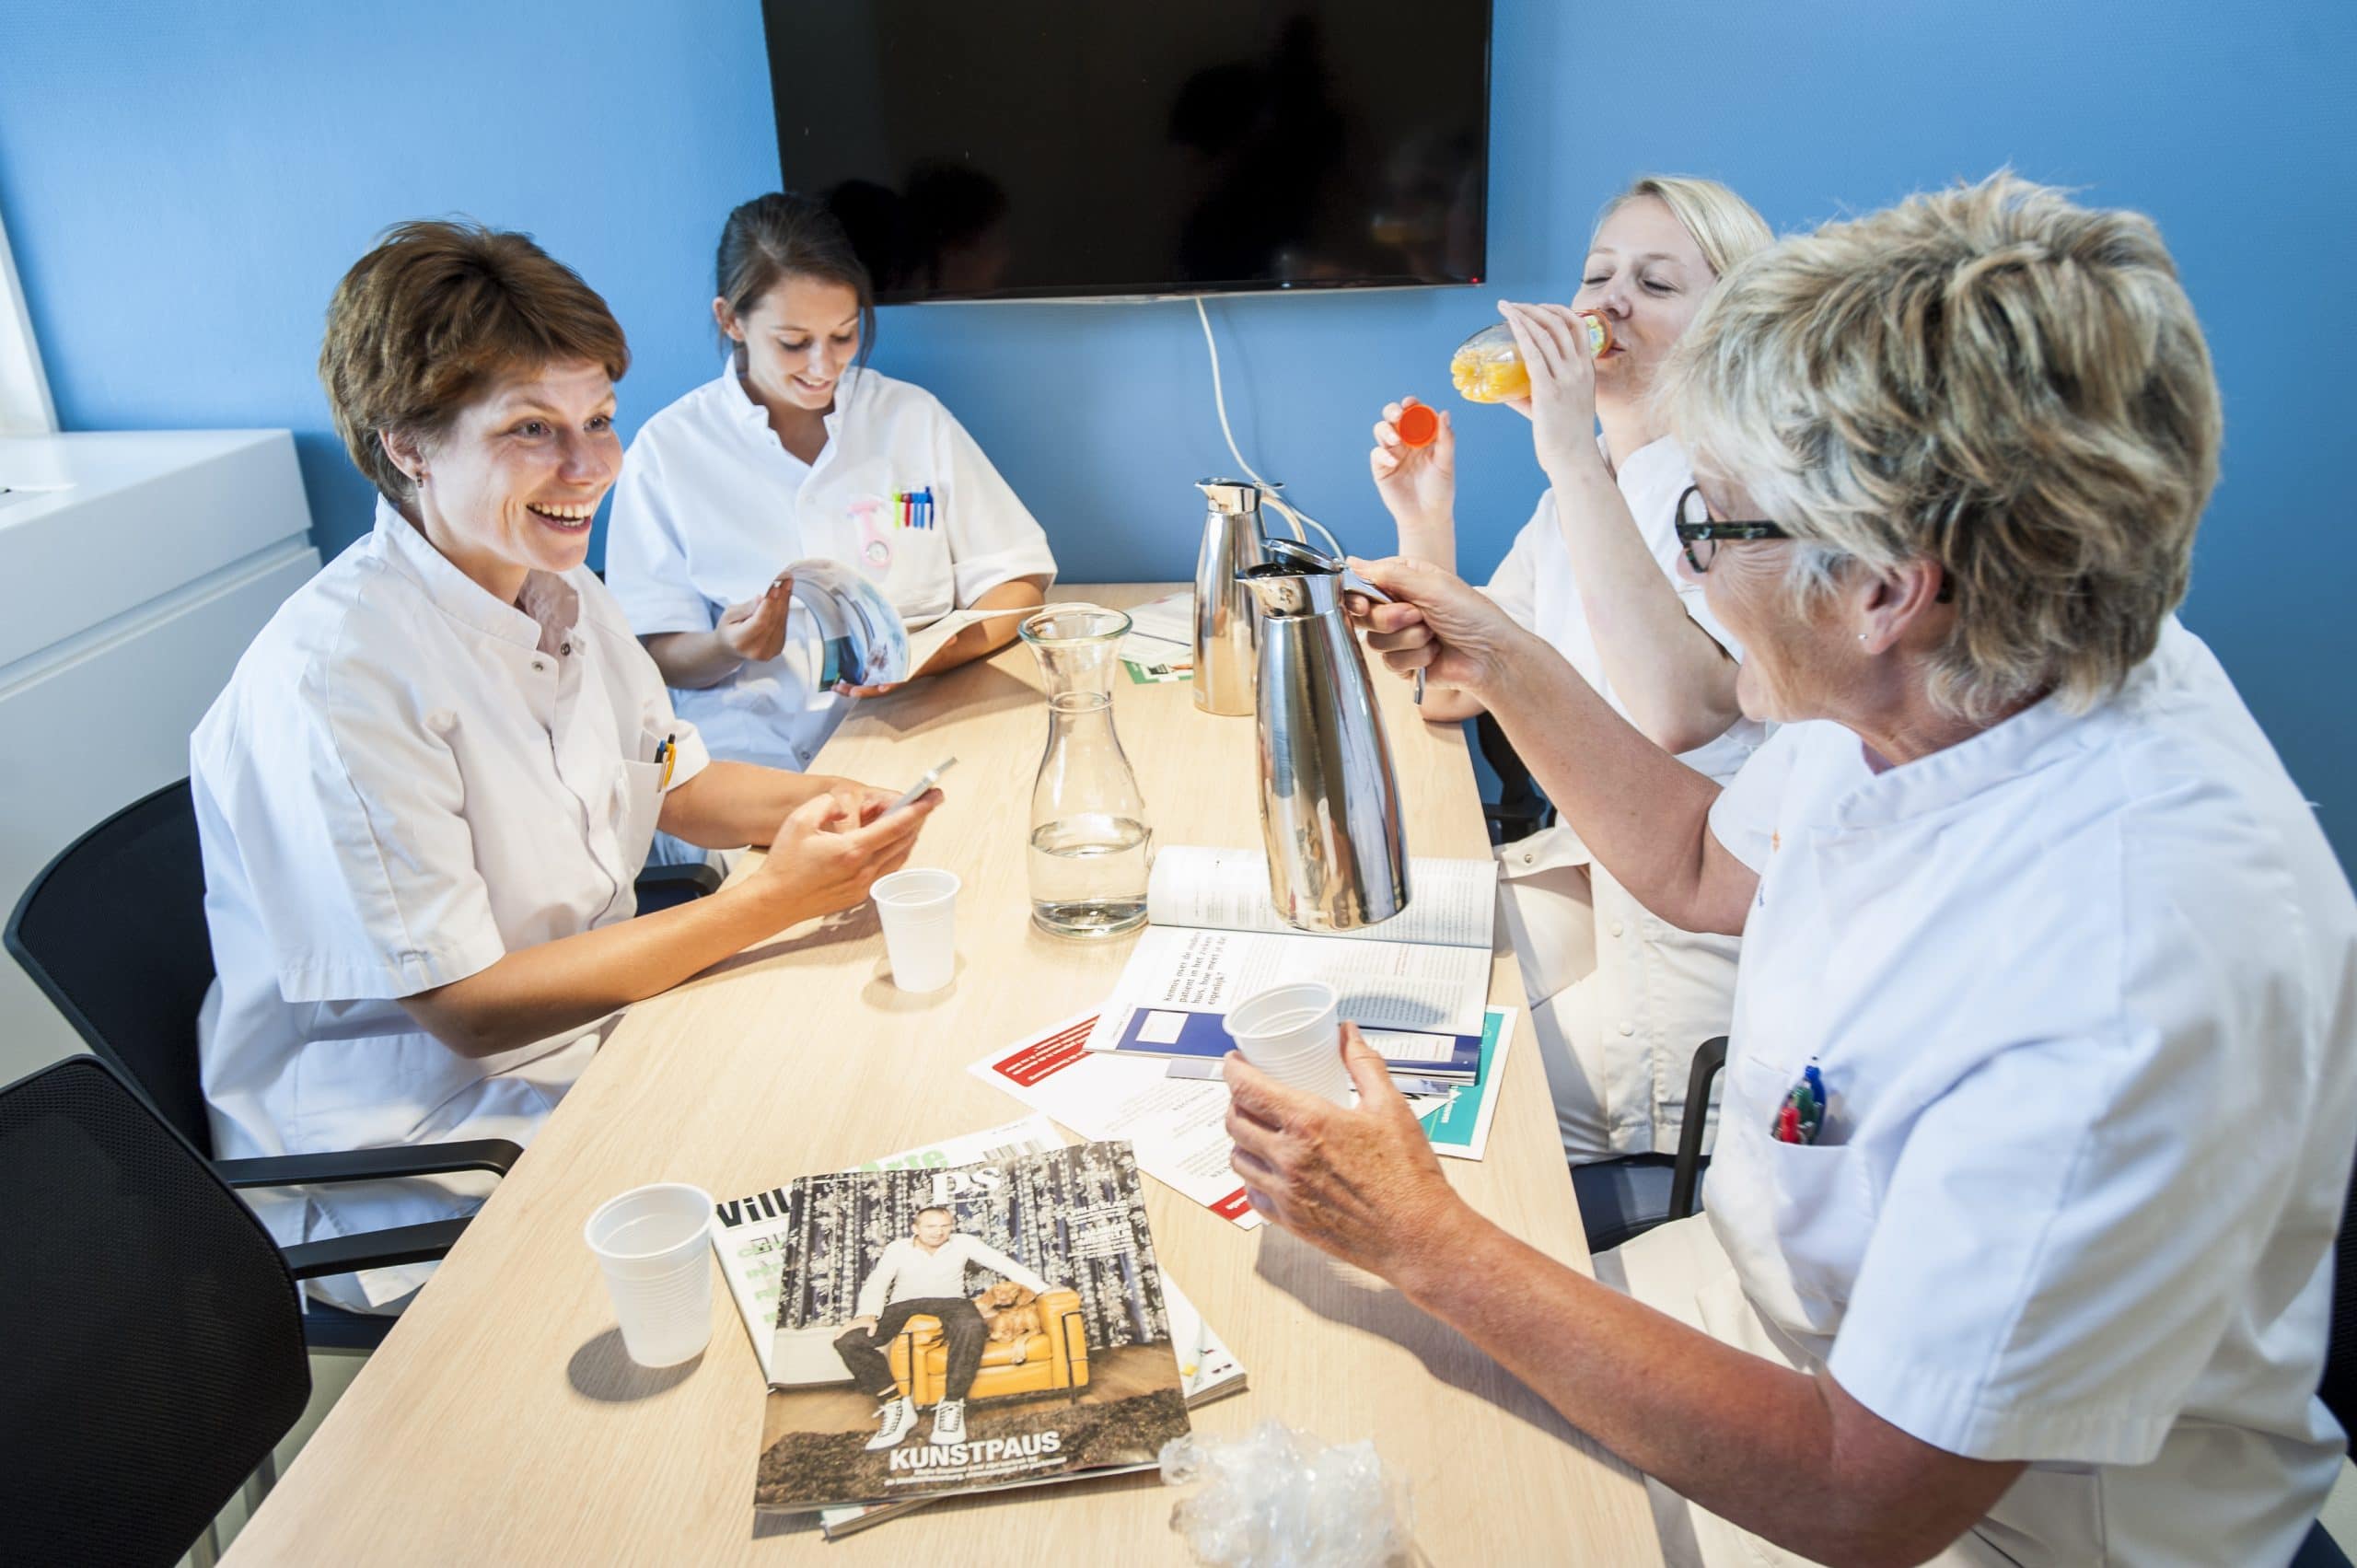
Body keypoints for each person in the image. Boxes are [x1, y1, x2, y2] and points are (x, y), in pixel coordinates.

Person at [1226, 176, 2357, 1564]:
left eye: (1711, 529)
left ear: (1885, 585)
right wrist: (1504, 654)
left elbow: (1860, 1492)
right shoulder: (1965, 670)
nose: (1692, 574)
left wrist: (1427, 1237)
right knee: (1342, 1396)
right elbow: (1702, 860)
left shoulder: (2118, 968)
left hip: (1997, 1525)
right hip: (1771, 1309)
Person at [192, 222, 939, 1313]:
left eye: (598, 420)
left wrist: (840, 801)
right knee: (838, 1214)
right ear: (408, 442)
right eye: (533, 430)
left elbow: (671, 781)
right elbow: (469, 1008)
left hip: (580, 1045)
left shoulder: (561, 586)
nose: (590, 469)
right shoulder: (337, 678)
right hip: (420, 1149)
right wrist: (772, 902)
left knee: (873, 1095)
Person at [1370, 177, 1775, 1192]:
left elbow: (1676, 714)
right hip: (1594, 880)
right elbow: (1453, 691)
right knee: (1372, 993)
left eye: (1655, 281)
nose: (1607, 304)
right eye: (1596, 276)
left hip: (1698, 939)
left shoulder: (1739, 493)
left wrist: (1564, 450)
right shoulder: (1576, 494)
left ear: (1729, 324)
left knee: (1401, 1112)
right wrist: (1427, 521)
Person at [605, 192, 1057, 773]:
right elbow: (656, 655)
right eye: (793, 343)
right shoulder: (669, 452)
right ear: (730, 320)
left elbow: (1017, 582)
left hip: (922, 744)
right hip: (758, 767)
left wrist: (928, 660)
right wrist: (726, 646)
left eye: (843, 336)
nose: (823, 366)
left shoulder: (909, 418)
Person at [832, 1206, 1052, 1450]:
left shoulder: (963, 1242)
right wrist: (866, 1314)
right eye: (931, 1227)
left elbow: (1004, 1264)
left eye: (944, 1226)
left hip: (952, 1302)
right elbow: (878, 1281)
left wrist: (1045, 1289)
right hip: (903, 1304)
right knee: (849, 1341)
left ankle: (952, 1403)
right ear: (915, 1228)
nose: (939, 1232)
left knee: (972, 1325)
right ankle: (896, 1405)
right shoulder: (898, 1248)